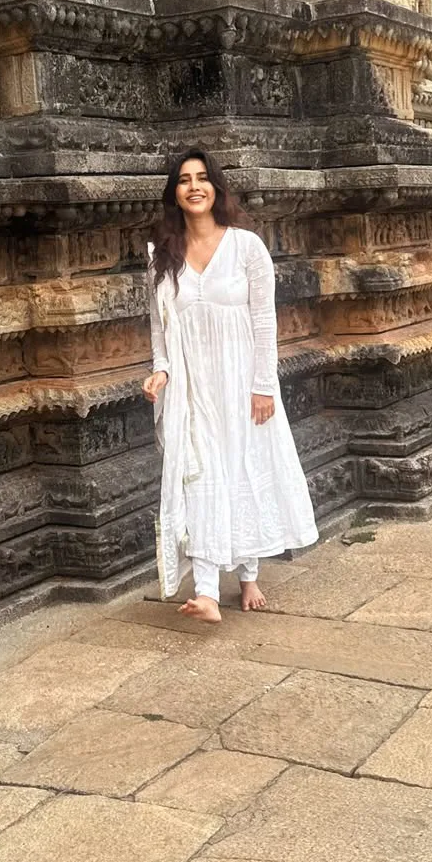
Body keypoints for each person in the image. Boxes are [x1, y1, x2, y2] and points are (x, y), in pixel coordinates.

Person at [143, 148, 318, 622]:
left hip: (241, 382)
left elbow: (264, 322)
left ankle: (248, 575)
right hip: (192, 388)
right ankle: (205, 590)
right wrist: (161, 371)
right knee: (200, 475)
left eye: (202, 178)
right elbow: (161, 329)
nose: (194, 187)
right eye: (184, 180)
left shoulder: (246, 247)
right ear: (174, 194)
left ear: (215, 188)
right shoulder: (162, 257)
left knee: (242, 467)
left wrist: (264, 385)